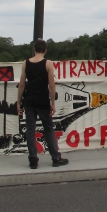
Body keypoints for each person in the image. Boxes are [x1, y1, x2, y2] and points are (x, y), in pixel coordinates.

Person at [17, 39, 69, 170]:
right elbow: (51, 85)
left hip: (29, 100)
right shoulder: (48, 64)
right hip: (42, 100)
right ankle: (55, 158)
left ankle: (33, 160)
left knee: (30, 130)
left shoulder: (25, 63)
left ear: (34, 49)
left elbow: (22, 84)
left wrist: (19, 102)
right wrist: (53, 103)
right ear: (45, 50)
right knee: (49, 129)